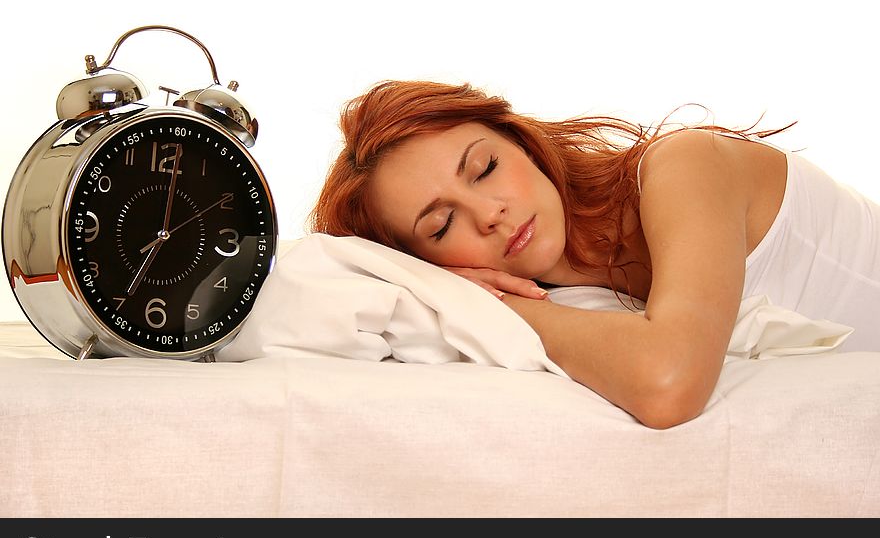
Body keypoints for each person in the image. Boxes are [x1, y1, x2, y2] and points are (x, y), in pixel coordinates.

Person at [309, 80, 880, 429]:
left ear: (522, 143)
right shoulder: (578, 305)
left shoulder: (684, 165)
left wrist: (491, 305)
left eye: (485, 168)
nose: (489, 213)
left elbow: (668, 384)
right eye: (441, 225)